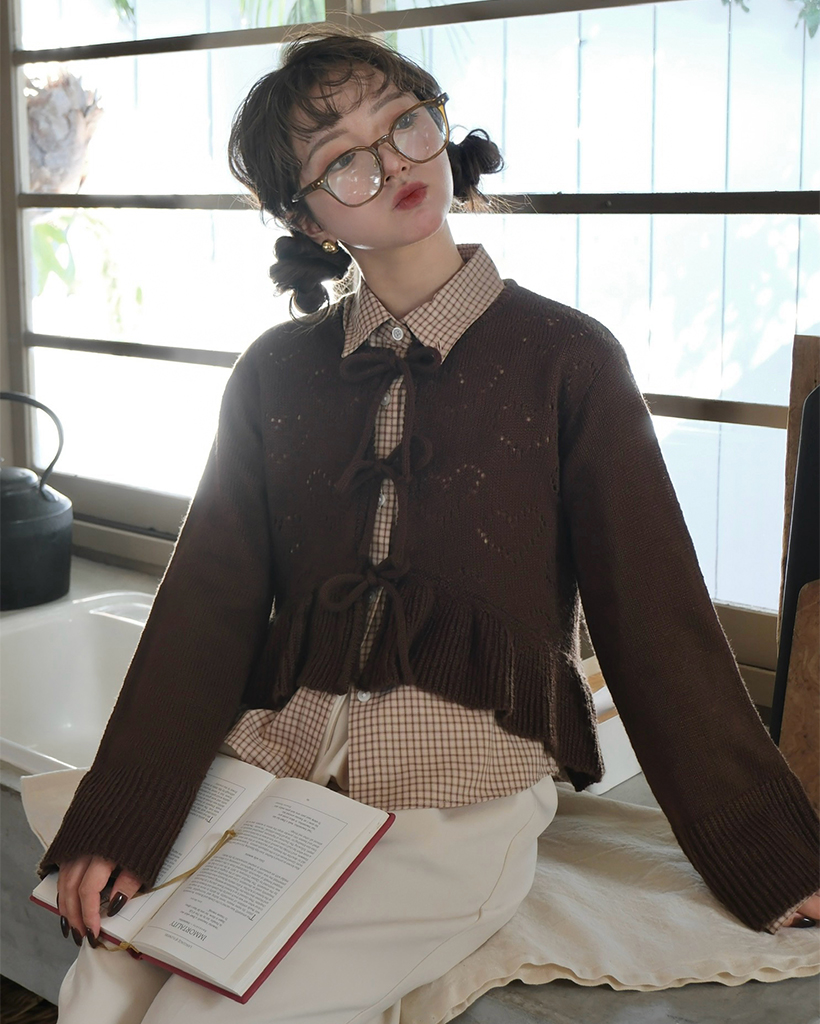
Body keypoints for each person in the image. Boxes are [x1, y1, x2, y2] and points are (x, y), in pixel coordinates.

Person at [42, 28, 819, 1024]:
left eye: (404, 122)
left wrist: (772, 857)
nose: (392, 163)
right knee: (102, 979)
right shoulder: (274, 373)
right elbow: (207, 602)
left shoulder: (566, 359)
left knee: (212, 1014)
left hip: (457, 806)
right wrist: (121, 818)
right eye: (342, 160)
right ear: (305, 216)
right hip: (274, 773)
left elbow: (654, 614)